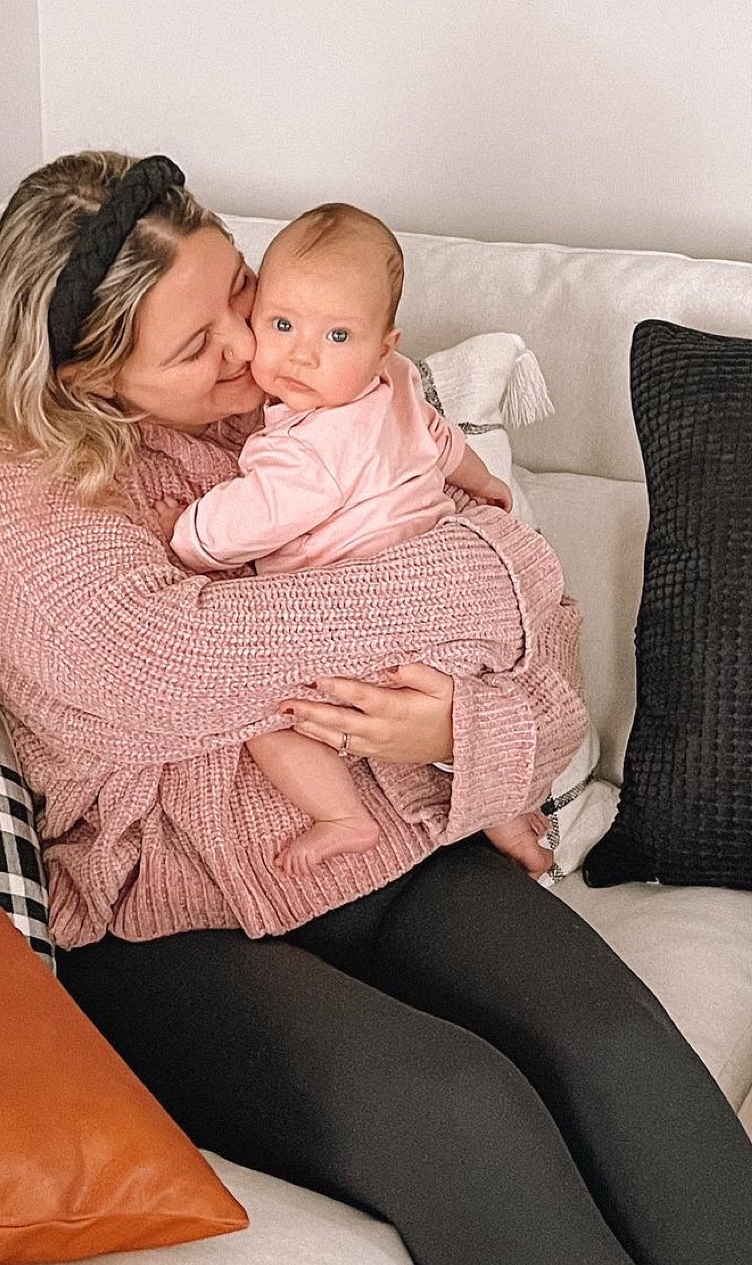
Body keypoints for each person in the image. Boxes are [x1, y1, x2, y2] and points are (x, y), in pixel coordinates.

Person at [0, 150, 752, 1265]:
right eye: (200, 345)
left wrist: (464, 726)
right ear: (83, 373)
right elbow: (167, 659)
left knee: (623, 1052)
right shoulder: (9, 487)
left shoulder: (315, 391)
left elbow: (552, 668)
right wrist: (479, 576)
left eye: (241, 297)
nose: (254, 352)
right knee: (459, 1106)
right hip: (171, 932)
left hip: (393, 840)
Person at [162, 199, 549, 877]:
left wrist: (188, 531)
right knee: (460, 722)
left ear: (382, 343)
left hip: (368, 635)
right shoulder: (397, 385)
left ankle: (341, 815)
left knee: (267, 715)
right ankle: (503, 806)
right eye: (281, 324)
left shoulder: (310, 447)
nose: (300, 355)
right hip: (442, 616)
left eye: (336, 337)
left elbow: (249, 517)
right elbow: (439, 439)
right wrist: (482, 479)